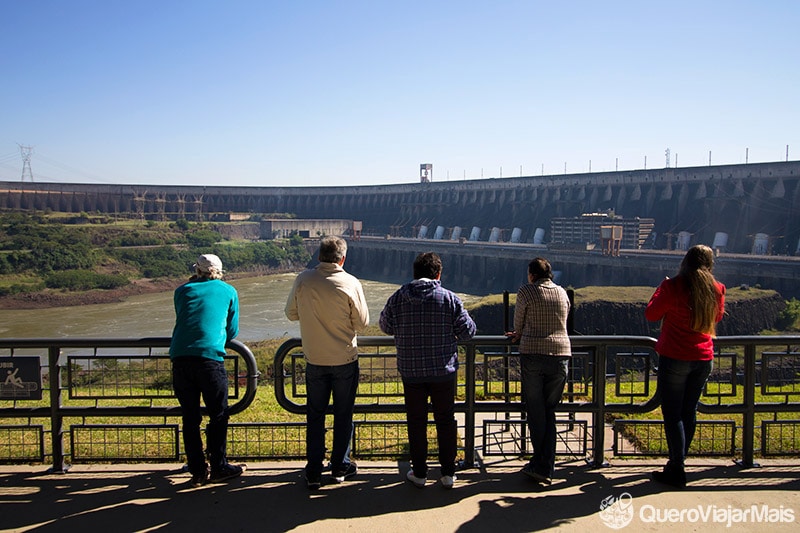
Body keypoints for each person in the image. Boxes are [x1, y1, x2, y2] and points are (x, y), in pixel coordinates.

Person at [379, 252, 476, 489]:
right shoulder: (449, 299)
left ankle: (420, 473)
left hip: (411, 370)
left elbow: (385, 325)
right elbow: (468, 332)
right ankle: (448, 474)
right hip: (443, 371)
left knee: (416, 421)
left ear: (414, 273)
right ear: (438, 273)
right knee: (445, 420)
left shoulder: (398, 297)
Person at [285, 236, 370, 490]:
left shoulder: (303, 279)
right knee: (343, 415)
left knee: (315, 416)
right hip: (344, 358)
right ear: (342, 258)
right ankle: (339, 467)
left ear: (319, 256)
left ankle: (313, 471)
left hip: (314, 360)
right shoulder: (351, 282)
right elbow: (363, 323)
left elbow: (291, 313)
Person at [645, 244, 725, 489]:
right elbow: (717, 317)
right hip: (703, 358)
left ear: (685, 261)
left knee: (672, 413)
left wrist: (661, 289)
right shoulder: (717, 289)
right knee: (689, 411)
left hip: (676, 356)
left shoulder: (673, 286)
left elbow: (651, 314)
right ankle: (677, 463)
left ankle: (676, 467)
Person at [170, 253, 243, 487]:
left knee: (190, 417)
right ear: (219, 271)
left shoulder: (181, 291)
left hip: (181, 358)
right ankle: (219, 466)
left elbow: (185, 319)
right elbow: (232, 331)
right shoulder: (228, 291)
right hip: (210, 359)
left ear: (197, 270)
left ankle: (197, 470)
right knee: (218, 414)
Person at [506, 257, 571, 486]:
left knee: (536, 411)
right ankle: (547, 464)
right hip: (561, 355)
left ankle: (540, 464)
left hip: (534, 354)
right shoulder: (562, 293)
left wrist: (517, 334)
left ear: (531, 274)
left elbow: (518, 324)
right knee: (549, 411)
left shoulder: (527, 291)